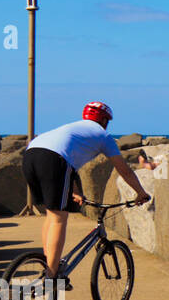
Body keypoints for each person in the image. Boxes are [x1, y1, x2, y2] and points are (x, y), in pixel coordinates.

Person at [21, 102, 151, 283]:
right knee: (60, 218)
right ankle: (52, 275)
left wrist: (75, 191)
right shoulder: (103, 136)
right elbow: (125, 170)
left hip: (31, 155)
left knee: (51, 215)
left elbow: (68, 163)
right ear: (104, 120)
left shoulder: (75, 128)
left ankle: (48, 262)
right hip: (53, 160)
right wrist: (141, 192)